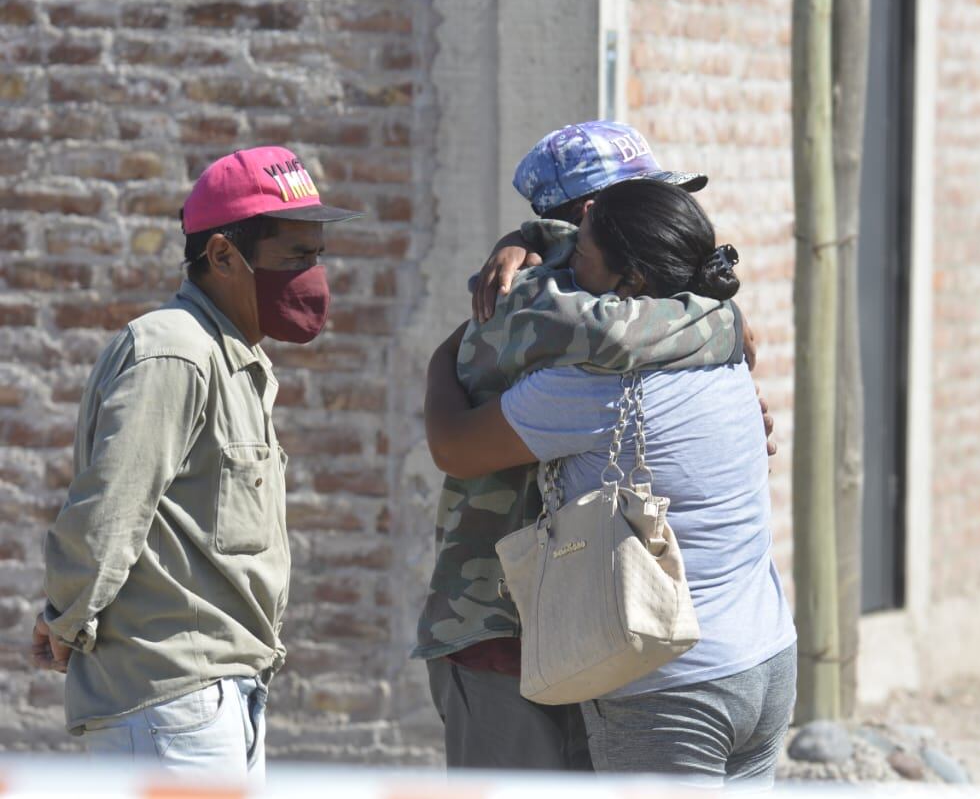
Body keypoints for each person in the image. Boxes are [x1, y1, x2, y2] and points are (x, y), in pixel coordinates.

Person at [425, 178, 796, 786]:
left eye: (583, 258)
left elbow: (453, 446)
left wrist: (449, 351)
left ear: (631, 283)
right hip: (765, 656)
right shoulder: (722, 341)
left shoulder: (591, 385)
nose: (571, 270)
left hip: (673, 686)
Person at [31, 146, 360, 781]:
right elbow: (111, 509)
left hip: (218, 695)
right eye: (295, 256)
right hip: (171, 702)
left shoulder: (229, 355)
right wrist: (66, 617)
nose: (313, 276)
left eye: (317, 257)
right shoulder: (175, 352)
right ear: (221, 256)